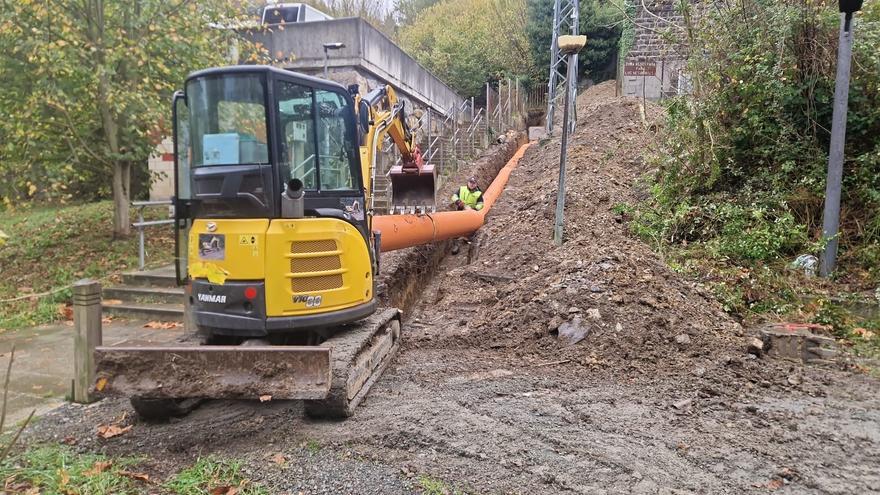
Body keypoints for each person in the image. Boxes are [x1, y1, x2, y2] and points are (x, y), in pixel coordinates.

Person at [450, 176, 483, 255]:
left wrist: (474, 209)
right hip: (460, 211)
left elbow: (481, 204)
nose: (471, 184)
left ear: (476, 185)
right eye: (470, 183)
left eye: (473, 183)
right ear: (468, 183)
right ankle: (456, 245)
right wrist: (458, 202)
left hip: (470, 213)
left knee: (469, 228)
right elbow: (454, 196)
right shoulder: (462, 189)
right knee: (457, 227)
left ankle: (467, 239)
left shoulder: (478, 193)